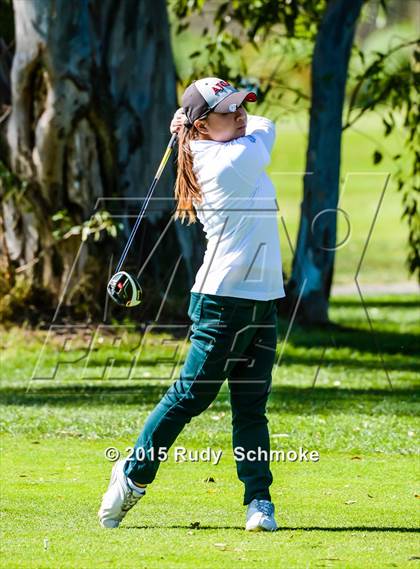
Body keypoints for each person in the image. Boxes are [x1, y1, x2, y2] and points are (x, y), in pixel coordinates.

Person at [98, 77, 285, 531]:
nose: (241, 115)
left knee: (251, 406)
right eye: (228, 111)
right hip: (222, 301)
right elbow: (269, 126)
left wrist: (186, 124)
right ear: (202, 127)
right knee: (188, 398)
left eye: (241, 107)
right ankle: (131, 476)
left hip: (262, 299)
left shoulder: (217, 145)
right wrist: (185, 126)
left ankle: (258, 502)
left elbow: (259, 120)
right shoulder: (232, 160)